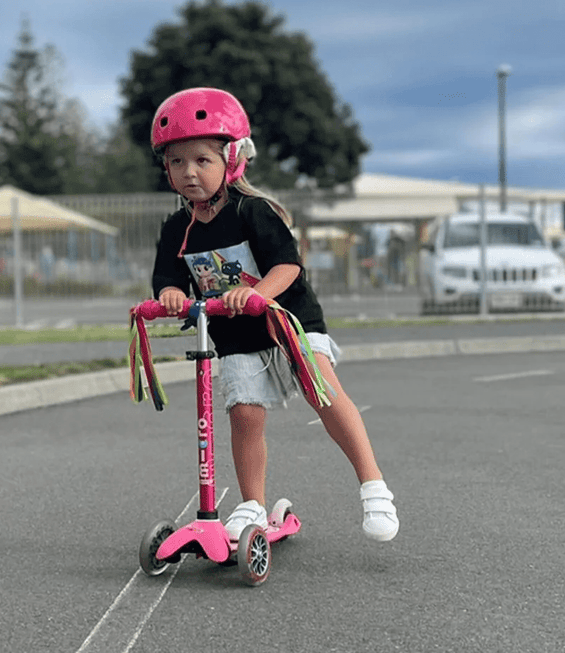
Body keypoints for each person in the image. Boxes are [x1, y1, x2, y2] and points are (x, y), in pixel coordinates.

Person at [150, 87, 399, 543]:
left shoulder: (253, 211)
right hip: (235, 334)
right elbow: (167, 279)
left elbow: (287, 265)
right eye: (177, 161)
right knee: (244, 414)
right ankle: (252, 505)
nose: (189, 172)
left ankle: (373, 485)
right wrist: (168, 294)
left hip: (289, 321)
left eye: (202, 160)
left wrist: (259, 293)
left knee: (320, 389)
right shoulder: (176, 229)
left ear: (233, 159)